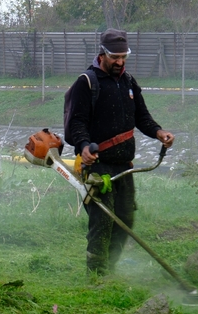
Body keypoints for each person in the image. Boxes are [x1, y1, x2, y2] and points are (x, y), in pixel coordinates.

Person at [67, 28, 175, 276]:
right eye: (115, 57)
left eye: (123, 57)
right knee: (103, 220)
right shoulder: (87, 82)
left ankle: (110, 269)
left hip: (124, 166)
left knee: (125, 219)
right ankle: (96, 276)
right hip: (98, 166)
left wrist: (159, 132)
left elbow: (142, 117)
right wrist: (84, 147)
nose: (119, 62)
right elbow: (77, 122)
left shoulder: (128, 82)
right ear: (102, 54)